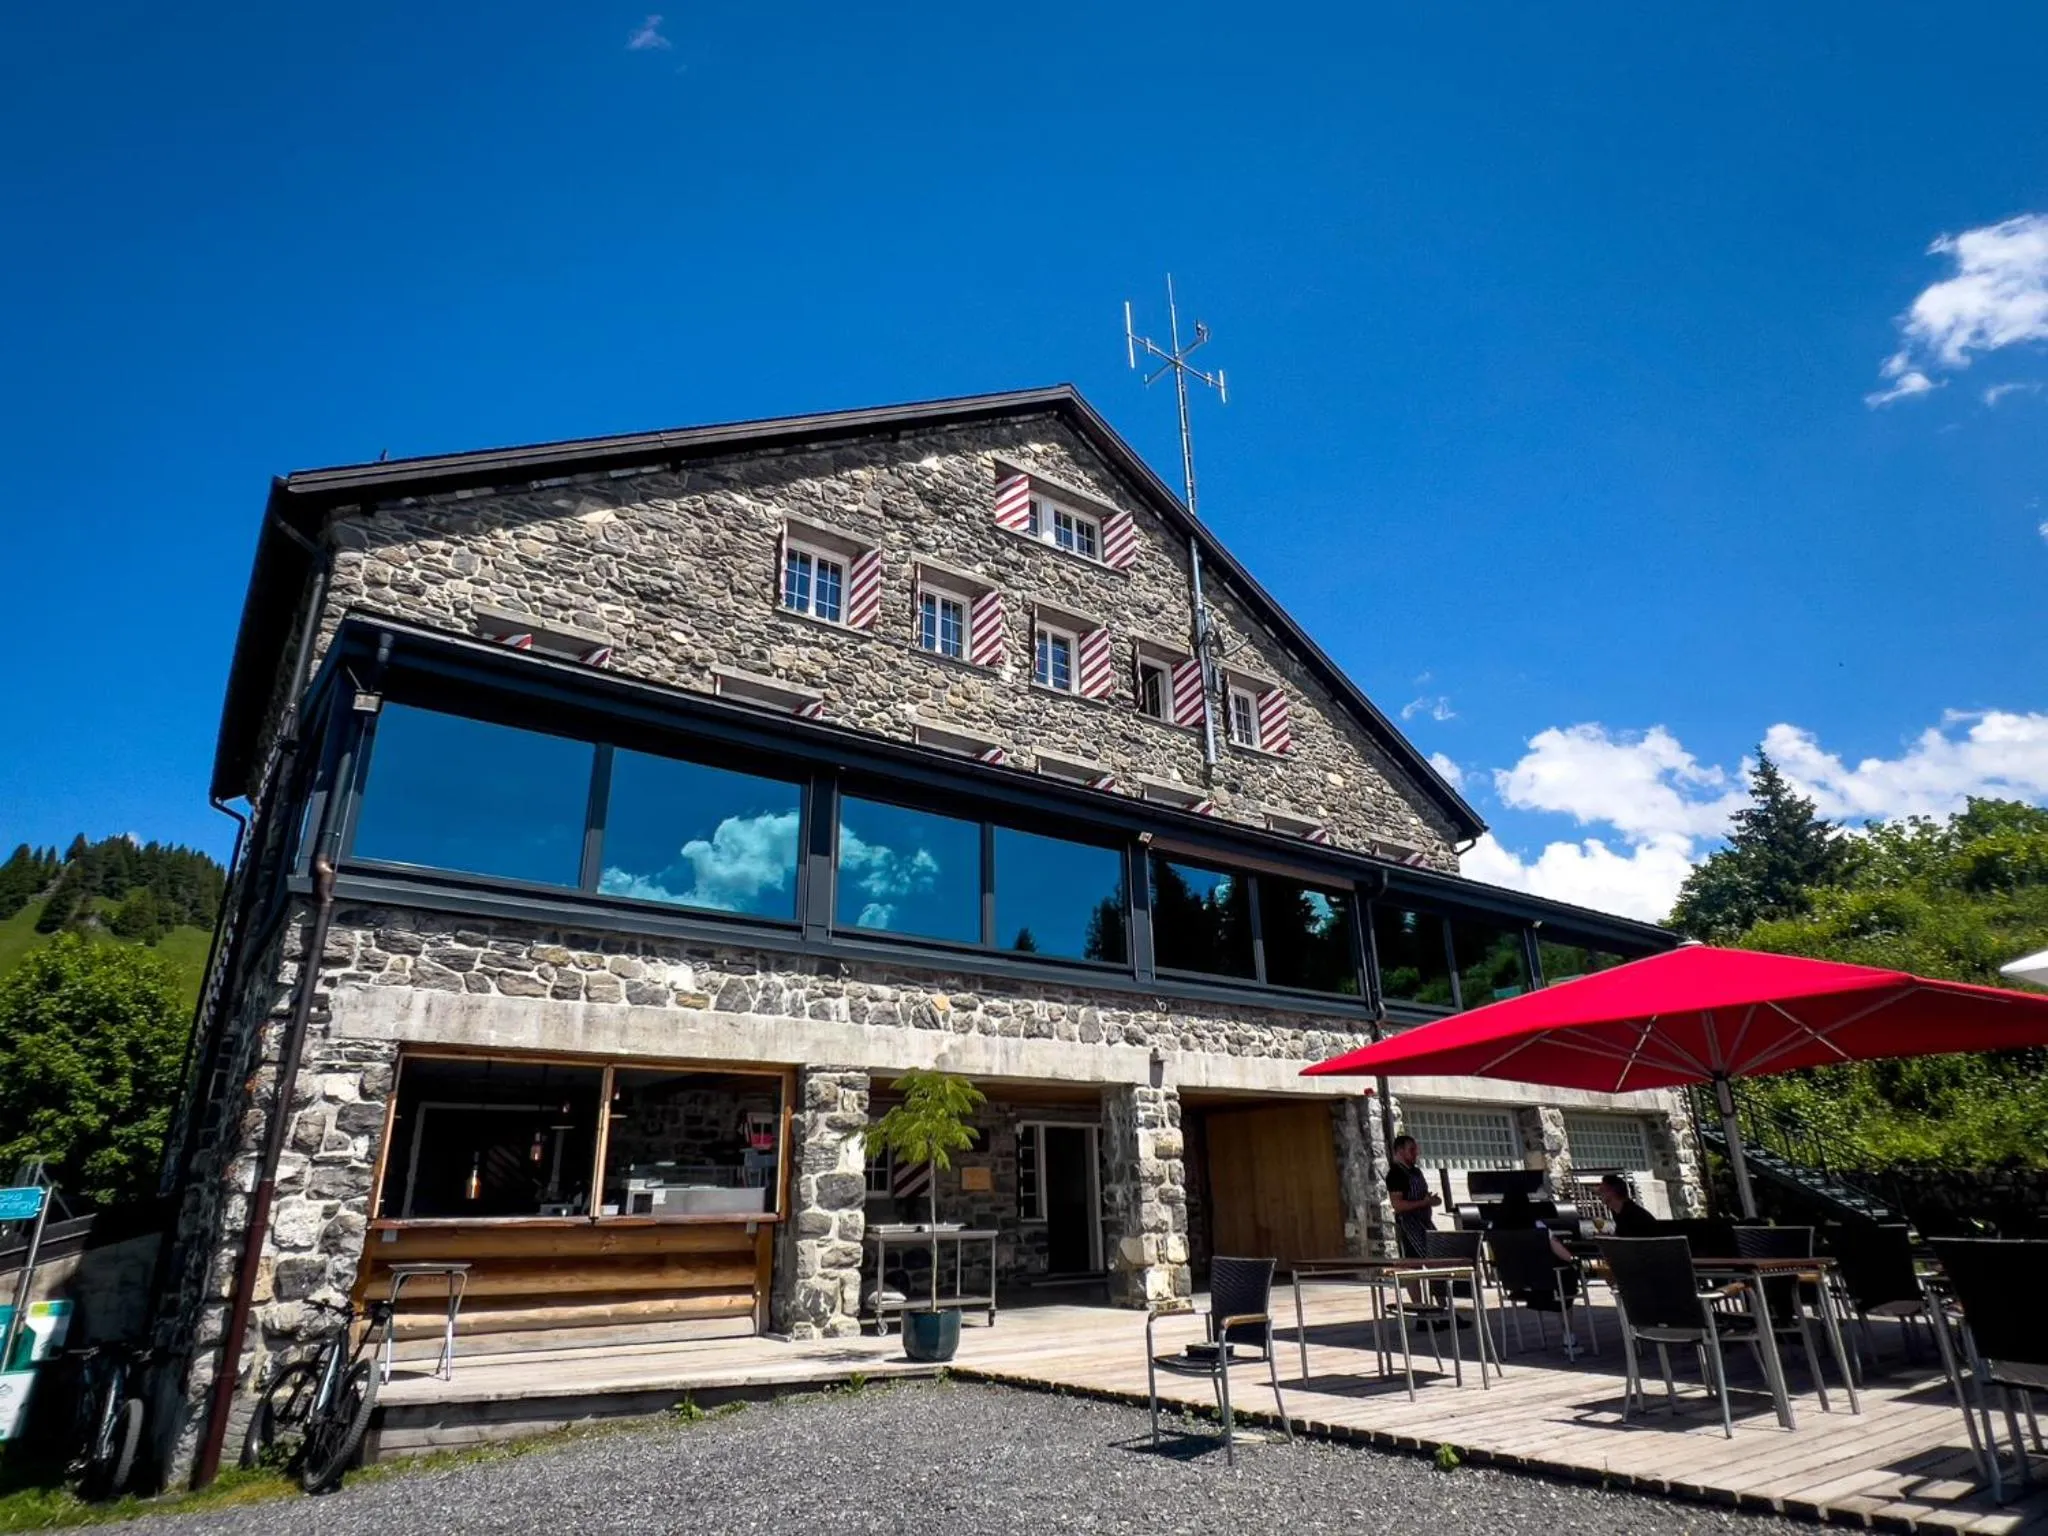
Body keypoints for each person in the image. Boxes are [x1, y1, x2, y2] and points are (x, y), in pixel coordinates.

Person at [1384, 1134, 1440, 1257]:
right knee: (1417, 1263)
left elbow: (1423, 1195)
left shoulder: (1416, 1172)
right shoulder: (1396, 1174)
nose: (1416, 1153)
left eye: (1416, 1149)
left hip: (1426, 1224)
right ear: (1400, 1150)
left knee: (1439, 1256)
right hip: (1409, 1227)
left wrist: (1432, 1200)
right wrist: (1424, 1203)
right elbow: (1398, 1205)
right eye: (1412, 1150)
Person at [1489, 1184, 1576, 1263]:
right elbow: (1560, 1251)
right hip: (1538, 1273)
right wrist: (1574, 1260)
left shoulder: (1493, 1227)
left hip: (1509, 1274)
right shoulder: (1538, 1226)